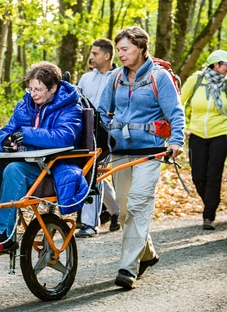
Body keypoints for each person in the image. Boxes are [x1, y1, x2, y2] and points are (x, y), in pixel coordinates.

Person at [0, 61, 88, 255]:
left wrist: (28, 135)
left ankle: (4, 234)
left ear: (53, 88)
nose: (34, 94)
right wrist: (3, 142)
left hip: (50, 167)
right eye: (31, 89)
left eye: (38, 89)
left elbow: (65, 136)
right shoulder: (24, 105)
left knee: (14, 169)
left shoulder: (70, 107)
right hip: (22, 162)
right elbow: (5, 132)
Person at [98, 27, 184, 290]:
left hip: (150, 153)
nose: (120, 54)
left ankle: (127, 267)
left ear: (141, 48)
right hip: (121, 153)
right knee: (124, 211)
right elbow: (102, 111)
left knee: (138, 205)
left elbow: (176, 112)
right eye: (119, 49)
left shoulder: (160, 78)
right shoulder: (115, 77)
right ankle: (147, 254)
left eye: (125, 49)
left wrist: (177, 140)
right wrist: (104, 143)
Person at [76, 38, 121, 238]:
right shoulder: (86, 79)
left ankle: (89, 223)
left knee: (95, 174)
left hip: (108, 133)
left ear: (107, 56)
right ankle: (116, 210)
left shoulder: (120, 77)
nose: (91, 57)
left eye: (95, 54)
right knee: (95, 175)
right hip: (85, 132)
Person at [180, 49, 227, 231]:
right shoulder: (197, 79)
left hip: (221, 133)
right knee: (198, 176)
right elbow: (179, 102)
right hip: (197, 133)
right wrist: (182, 127)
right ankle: (210, 201)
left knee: (213, 175)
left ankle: (209, 215)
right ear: (216, 64)